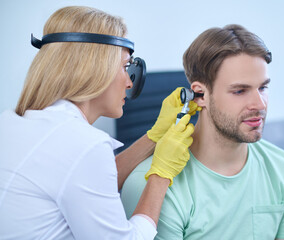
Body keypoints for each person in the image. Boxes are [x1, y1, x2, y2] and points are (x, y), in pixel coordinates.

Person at [0, 6, 200, 240]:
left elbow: (83, 186)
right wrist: (161, 175)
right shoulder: (83, 145)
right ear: (94, 68)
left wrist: (155, 135)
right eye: (125, 67)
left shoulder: (13, 121)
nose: (129, 81)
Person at [121, 24, 284, 240]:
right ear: (200, 94)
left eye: (263, 88)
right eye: (240, 91)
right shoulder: (152, 187)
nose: (260, 104)